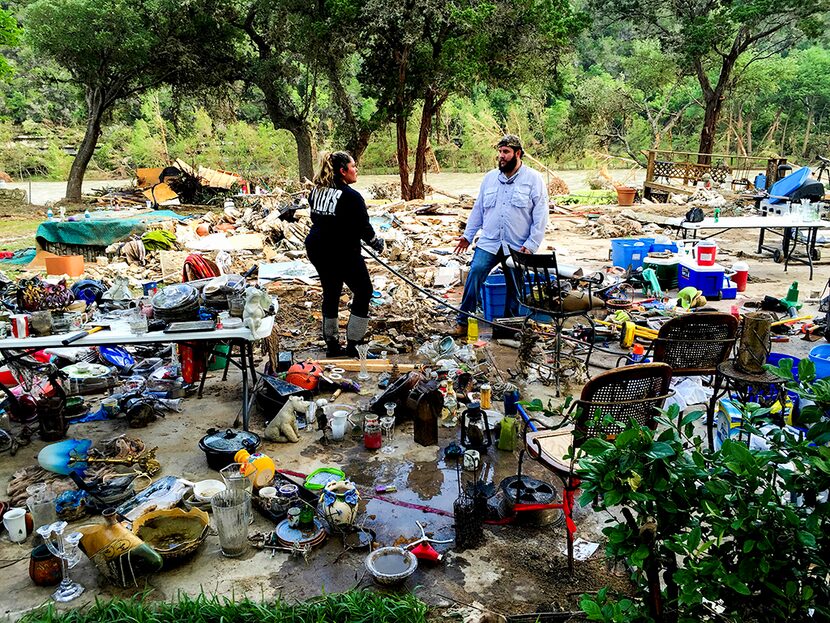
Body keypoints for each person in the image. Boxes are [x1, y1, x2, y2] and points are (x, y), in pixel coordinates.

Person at [452, 134, 549, 335]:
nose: (501, 156)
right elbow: (478, 210)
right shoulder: (489, 179)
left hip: (517, 245)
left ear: (518, 154)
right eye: (500, 152)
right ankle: (463, 322)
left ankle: (507, 327)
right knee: (475, 273)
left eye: (506, 152)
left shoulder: (533, 179)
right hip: (489, 241)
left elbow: (540, 215)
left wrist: (531, 244)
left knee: (515, 287)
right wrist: (468, 236)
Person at [305, 151, 384, 357]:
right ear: (342, 171)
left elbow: (321, 219)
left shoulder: (316, 192)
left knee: (331, 291)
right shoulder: (352, 196)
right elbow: (364, 228)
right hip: (340, 250)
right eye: (353, 166)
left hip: (317, 247)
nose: (356, 170)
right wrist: (377, 243)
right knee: (364, 291)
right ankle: (354, 345)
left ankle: (332, 345)